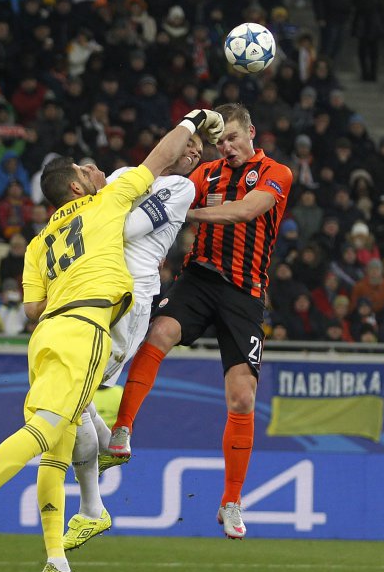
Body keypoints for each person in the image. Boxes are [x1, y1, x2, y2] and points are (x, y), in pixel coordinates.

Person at [0, 110, 225, 572]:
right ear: (76, 186)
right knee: (48, 430)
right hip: (90, 325)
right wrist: (193, 118)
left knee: (61, 437)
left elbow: (30, 308)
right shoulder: (109, 200)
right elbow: (156, 161)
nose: (97, 171)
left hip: (46, 332)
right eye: (87, 170)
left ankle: (58, 559)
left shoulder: (38, 241)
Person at [108, 103, 294, 540]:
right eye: (220, 141)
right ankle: (123, 427)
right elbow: (160, 185)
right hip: (198, 277)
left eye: (233, 138)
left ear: (251, 132)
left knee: (243, 398)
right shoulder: (205, 174)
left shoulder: (276, 173)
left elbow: (245, 211)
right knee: (160, 332)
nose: (225, 147)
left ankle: (231, 501)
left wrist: (184, 213)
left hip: (245, 292)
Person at [65, 134, 204, 551]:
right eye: (190, 143)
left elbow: (123, 227)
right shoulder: (129, 174)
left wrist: (106, 200)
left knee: (73, 394)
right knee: (73, 392)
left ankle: (93, 506)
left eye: (200, 151)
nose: (195, 153)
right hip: (99, 292)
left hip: (133, 301)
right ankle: (105, 462)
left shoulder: (180, 187)